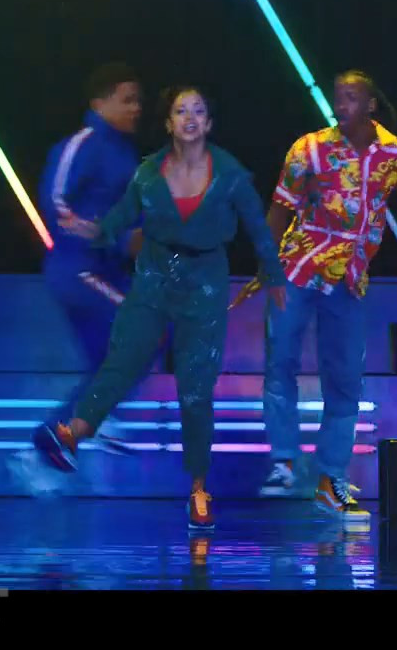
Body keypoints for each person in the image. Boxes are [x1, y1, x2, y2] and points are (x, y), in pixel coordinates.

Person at [36, 85, 292, 532]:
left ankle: (197, 492)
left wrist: (271, 271)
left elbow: (255, 222)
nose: (190, 118)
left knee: (196, 388)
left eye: (199, 111)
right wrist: (100, 234)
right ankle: (74, 432)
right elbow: (122, 224)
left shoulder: (227, 172)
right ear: (170, 123)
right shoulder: (149, 172)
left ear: (209, 122)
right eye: (180, 110)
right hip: (152, 285)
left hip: (202, 288)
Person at [238, 70, 397, 523]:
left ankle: (330, 480)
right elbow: (280, 208)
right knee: (280, 361)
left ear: (370, 104)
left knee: (344, 379)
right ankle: (285, 463)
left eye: (350, 97)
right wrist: (266, 263)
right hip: (297, 267)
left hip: (349, 279)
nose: (340, 105)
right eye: (337, 98)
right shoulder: (309, 148)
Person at [27, 63, 146, 466]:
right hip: (78, 270)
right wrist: (106, 235)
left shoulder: (125, 155)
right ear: (100, 102)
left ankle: (53, 441)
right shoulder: (84, 143)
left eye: (138, 101)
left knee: (115, 359)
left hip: (105, 273)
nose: (136, 108)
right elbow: (57, 200)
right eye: (127, 100)